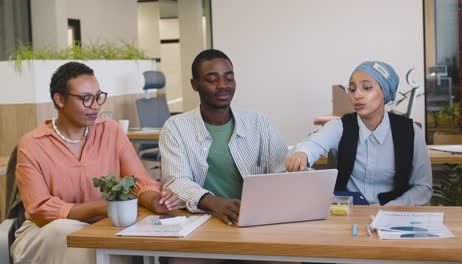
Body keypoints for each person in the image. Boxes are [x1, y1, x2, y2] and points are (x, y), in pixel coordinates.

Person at [11, 62, 180, 264]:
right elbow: (40, 210)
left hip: (105, 227)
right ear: (60, 99)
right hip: (47, 231)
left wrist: (154, 200)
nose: (96, 106)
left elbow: (139, 182)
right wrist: (100, 207)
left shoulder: (111, 131)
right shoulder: (32, 144)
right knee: (69, 234)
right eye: (86, 99)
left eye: (98, 97)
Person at [160, 49, 290, 264]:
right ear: (195, 84)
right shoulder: (176, 127)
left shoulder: (259, 122)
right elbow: (175, 181)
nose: (223, 85)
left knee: (288, 259)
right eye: (212, 79)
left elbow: (281, 170)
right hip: (201, 223)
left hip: (255, 223)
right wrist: (213, 202)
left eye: (229, 78)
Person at [287, 61, 432, 206]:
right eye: (352, 89)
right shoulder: (340, 126)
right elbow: (314, 144)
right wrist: (302, 153)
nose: (357, 95)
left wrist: (391, 208)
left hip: (393, 216)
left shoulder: (411, 132)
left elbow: (423, 188)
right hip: (346, 214)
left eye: (367, 88)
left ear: (385, 92)